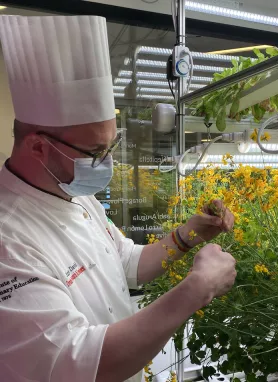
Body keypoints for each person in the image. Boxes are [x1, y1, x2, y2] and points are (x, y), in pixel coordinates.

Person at [0, 15, 237, 382]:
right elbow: (74, 361)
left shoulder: (77, 196)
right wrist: (197, 289)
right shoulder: (8, 239)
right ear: (37, 147)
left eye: (111, 146)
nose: (107, 162)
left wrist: (189, 235)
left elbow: (126, 263)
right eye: (95, 151)